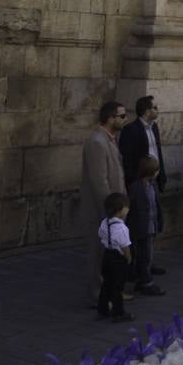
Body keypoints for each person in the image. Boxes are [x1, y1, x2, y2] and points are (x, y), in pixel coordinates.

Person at [81, 101, 127, 303]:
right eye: (122, 116)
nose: (124, 119)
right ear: (110, 118)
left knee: (112, 255)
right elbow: (99, 180)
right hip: (103, 211)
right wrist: (112, 209)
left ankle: (112, 291)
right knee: (98, 254)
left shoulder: (110, 140)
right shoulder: (97, 142)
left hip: (114, 210)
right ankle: (97, 294)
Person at [119, 95, 167, 276]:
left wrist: (161, 175)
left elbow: (157, 152)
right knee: (139, 226)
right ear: (147, 111)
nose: (157, 110)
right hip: (140, 183)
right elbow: (128, 158)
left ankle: (148, 262)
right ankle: (136, 266)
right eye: (155, 107)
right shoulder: (132, 130)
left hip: (153, 180)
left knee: (152, 223)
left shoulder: (154, 128)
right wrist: (135, 181)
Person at [126, 156, 165, 297]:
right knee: (145, 256)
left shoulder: (153, 186)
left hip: (151, 226)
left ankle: (142, 279)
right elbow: (131, 209)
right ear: (151, 172)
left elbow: (157, 206)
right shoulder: (136, 188)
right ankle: (146, 282)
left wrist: (159, 221)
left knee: (147, 254)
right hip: (141, 228)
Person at [97, 192, 135, 322]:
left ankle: (102, 310)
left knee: (106, 284)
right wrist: (129, 258)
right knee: (117, 287)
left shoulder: (104, 222)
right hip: (118, 259)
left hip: (107, 255)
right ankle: (118, 312)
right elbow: (125, 246)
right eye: (127, 207)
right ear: (121, 210)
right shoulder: (122, 228)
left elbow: (101, 235)